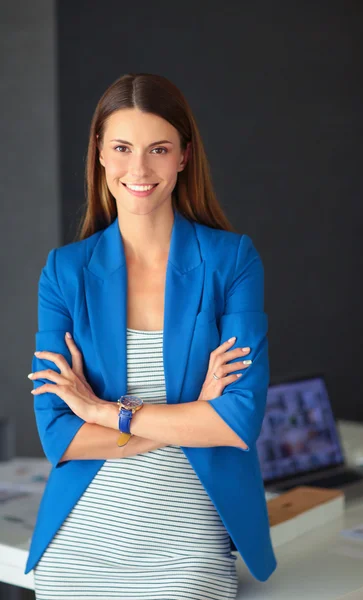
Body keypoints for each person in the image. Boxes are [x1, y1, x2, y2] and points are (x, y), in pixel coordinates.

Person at [26, 72, 277, 598]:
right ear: (99, 152)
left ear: (184, 156)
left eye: (158, 149)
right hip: (82, 541)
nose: (139, 169)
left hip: (185, 549)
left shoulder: (231, 261)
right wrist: (192, 415)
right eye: (122, 147)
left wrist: (100, 411)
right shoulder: (65, 271)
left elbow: (236, 423)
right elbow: (58, 436)